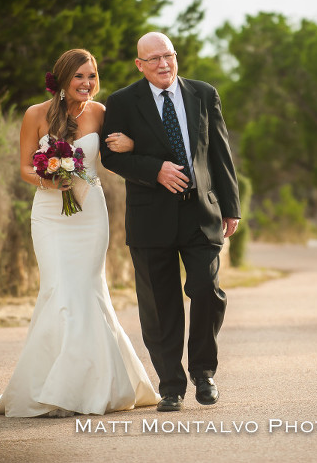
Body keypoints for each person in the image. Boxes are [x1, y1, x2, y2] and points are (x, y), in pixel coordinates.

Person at [0, 49, 159, 417]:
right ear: (62, 79)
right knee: (57, 289)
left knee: (87, 290)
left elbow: (125, 150)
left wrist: (131, 144)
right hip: (49, 214)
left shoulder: (101, 113)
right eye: (79, 76)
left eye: (92, 76)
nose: (87, 83)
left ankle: (91, 386)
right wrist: (50, 179)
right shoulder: (34, 115)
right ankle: (52, 386)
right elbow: (24, 168)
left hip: (90, 213)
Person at [101, 32, 241, 412]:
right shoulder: (122, 102)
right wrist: (154, 168)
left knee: (207, 291)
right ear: (139, 65)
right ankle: (171, 386)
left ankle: (203, 373)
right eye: (155, 59)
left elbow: (220, 153)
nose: (164, 64)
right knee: (159, 305)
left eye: (169, 56)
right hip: (151, 218)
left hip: (201, 214)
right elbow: (111, 157)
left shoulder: (203, 93)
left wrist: (230, 206)